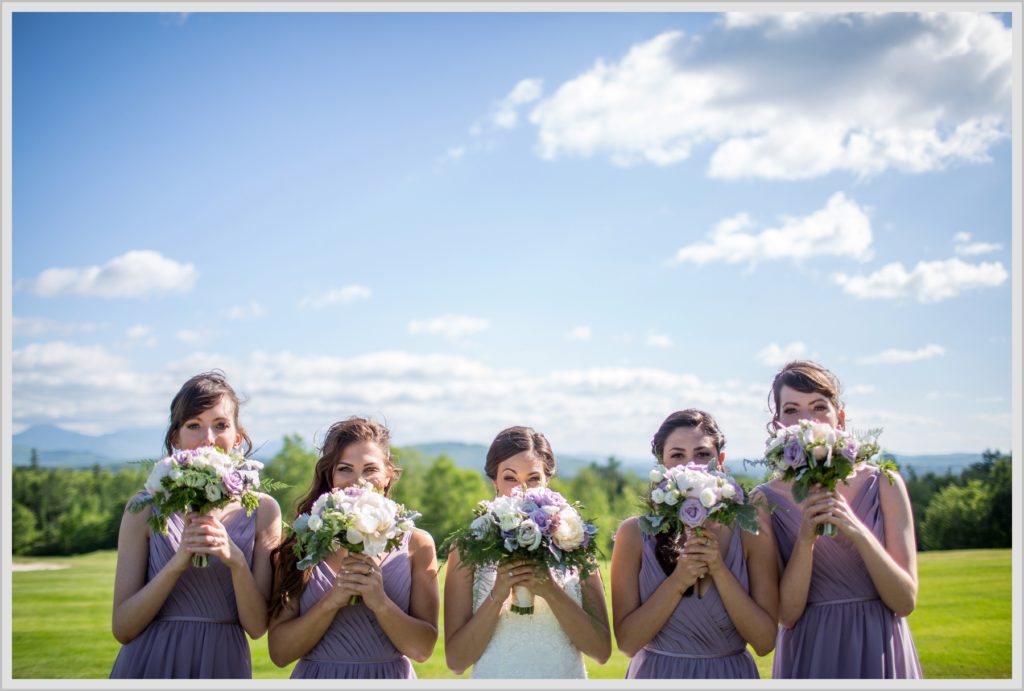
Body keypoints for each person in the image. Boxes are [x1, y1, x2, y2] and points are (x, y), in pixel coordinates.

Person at [755, 360, 922, 678]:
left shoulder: (884, 484)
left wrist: (857, 530)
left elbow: (905, 601)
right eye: (792, 410)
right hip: (810, 648)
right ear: (778, 424)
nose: (806, 420)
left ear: (839, 417)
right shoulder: (764, 501)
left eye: (818, 407)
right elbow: (786, 616)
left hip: (878, 644)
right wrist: (805, 539)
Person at [110, 371, 282, 678]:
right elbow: (123, 628)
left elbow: (257, 628)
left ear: (237, 437)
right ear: (175, 437)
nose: (208, 439)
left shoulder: (264, 511)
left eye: (220, 425)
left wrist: (236, 561)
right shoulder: (144, 507)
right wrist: (178, 562)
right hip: (150, 661)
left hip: (222, 661)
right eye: (194, 426)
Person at [610, 409, 778, 678]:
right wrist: (679, 580)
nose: (691, 466)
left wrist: (719, 570)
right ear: (661, 465)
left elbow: (765, 643)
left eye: (702, 454)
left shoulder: (750, 531)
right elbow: (628, 643)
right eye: (678, 455)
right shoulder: (633, 533)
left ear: (719, 461)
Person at [267, 417, 438, 679]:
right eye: (345, 468)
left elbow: (423, 650)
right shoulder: (299, 544)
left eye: (370, 469)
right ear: (330, 474)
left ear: (388, 474)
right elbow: (279, 654)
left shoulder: (417, 545)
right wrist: (331, 601)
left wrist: (380, 602)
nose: (358, 481)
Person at [444, 425, 612, 678]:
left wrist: (550, 590)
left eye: (533, 478)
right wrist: (497, 595)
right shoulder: (467, 550)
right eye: (510, 478)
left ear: (548, 481)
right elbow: (457, 661)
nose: (522, 490)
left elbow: (601, 651)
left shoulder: (574, 542)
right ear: (494, 481)